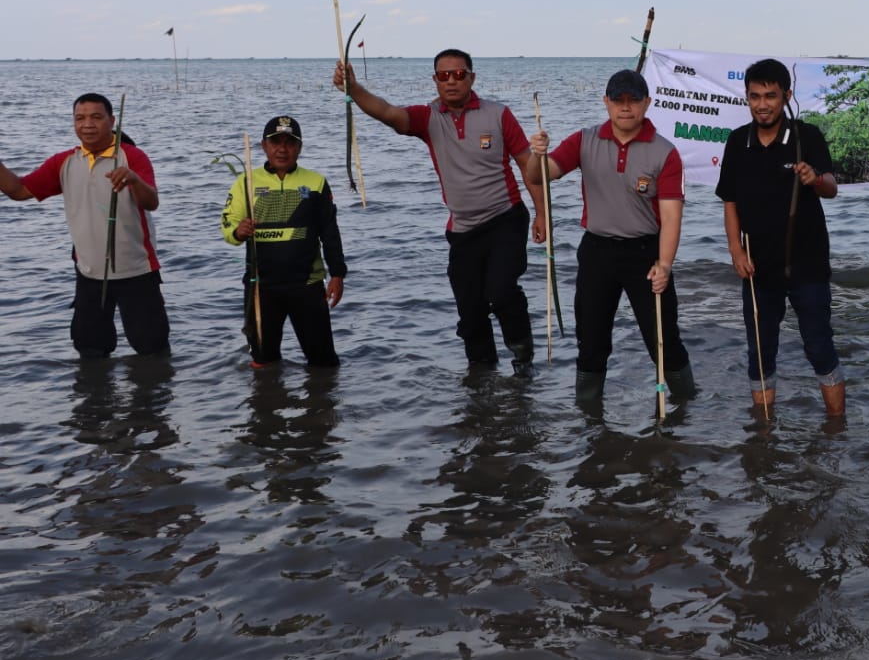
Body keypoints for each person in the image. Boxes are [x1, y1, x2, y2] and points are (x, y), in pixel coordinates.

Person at [333, 49, 541, 375]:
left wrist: (542, 213)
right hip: (463, 231)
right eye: (444, 76)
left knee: (501, 292)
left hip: (506, 218)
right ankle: (481, 375)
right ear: (435, 80)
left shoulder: (498, 114)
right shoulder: (428, 118)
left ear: (471, 77)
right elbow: (387, 112)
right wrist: (354, 89)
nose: (451, 81)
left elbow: (528, 164)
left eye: (459, 74)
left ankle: (523, 358)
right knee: (470, 309)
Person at [529, 69, 695, 403]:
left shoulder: (664, 152)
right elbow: (539, 177)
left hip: (646, 254)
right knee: (591, 341)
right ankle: (589, 418)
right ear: (606, 102)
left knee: (663, 339)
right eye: (618, 100)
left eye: (634, 100)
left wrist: (664, 264)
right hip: (597, 252)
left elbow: (671, 216)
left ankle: (685, 407)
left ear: (647, 103)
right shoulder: (584, 139)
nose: (626, 107)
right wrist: (537, 154)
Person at [717, 58, 845, 416]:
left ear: (787, 96)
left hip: (808, 266)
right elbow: (729, 201)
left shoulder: (807, 136)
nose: (762, 104)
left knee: (819, 349)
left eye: (770, 96)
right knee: (760, 355)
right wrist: (735, 251)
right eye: (755, 96)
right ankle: (762, 433)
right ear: (747, 97)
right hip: (758, 269)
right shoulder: (737, 141)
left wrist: (815, 179)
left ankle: (837, 429)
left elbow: (831, 188)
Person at [0, 93, 170, 358]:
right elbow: (19, 190)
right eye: (80, 118)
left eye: (96, 117)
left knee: (153, 350)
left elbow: (152, 202)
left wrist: (134, 180)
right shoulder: (63, 162)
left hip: (137, 271)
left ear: (111, 121)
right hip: (89, 275)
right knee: (90, 351)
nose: (87, 124)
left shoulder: (133, 157)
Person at [221, 116, 347, 369]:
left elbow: (330, 233)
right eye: (275, 142)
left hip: (307, 284)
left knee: (324, 364)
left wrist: (337, 274)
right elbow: (228, 224)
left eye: (290, 143)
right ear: (264, 146)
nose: (282, 149)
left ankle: (323, 395)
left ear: (299, 147)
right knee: (263, 362)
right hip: (261, 286)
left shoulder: (316, 182)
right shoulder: (246, 182)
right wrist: (239, 231)